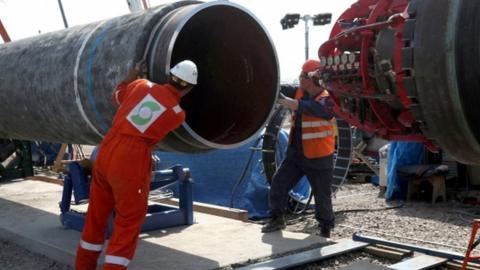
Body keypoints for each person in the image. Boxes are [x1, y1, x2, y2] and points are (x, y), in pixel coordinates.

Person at [75, 59, 198, 270]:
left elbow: (118, 94)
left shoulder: (140, 85)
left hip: (107, 148)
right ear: (189, 89)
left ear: (169, 75)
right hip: (130, 158)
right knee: (128, 221)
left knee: (96, 215)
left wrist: (132, 75)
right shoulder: (177, 115)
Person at [262, 59, 335, 238]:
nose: (299, 77)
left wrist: (288, 102)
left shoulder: (327, 100)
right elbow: (278, 88)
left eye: (303, 75)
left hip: (319, 156)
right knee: (279, 183)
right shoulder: (298, 91)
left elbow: (310, 108)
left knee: (322, 196)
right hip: (296, 154)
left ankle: (325, 227)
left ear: (312, 78)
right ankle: (276, 218)